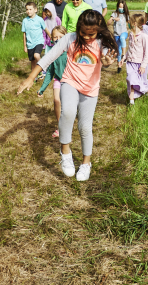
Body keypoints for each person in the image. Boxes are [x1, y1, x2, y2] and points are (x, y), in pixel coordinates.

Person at [17, 10, 118, 181]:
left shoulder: (101, 42)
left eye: (91, 34)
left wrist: (107, 62)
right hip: (70, 82)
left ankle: (86, 164)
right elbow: (48, 57)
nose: (86, 37)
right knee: (68, 112)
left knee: (85, 127)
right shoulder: (70, 38)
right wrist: (30, 78)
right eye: (83, 33)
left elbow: (106, 59)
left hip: (90, 89)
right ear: (78, 28)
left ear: (98, 31)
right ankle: (65, 152)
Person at [37, 26, 68, 138]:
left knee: (67, 105)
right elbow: (49, 72)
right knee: (56, 100)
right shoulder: (52, 54)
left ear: (67, 37)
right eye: (55, 37)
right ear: (52, 39)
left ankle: (68, 122)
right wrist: (42, 89)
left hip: (70, 82)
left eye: (61, 36)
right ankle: (60, 126)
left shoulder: (70, 52)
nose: (58, 39)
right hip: (58, 80)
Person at [119, 13, 148, 105]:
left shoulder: (144, 36)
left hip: (140, 64)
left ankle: (147, 92)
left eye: (130, 21)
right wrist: (124, 58)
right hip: (131, 63)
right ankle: (131, 99)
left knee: (143, 81)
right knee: (131, 80)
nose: (128, 23)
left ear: (134, 23)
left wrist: (143, 65)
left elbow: (147, 52)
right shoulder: (131, 35)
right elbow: (130, 49)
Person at [22, 2, 51, 72]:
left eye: (30, 9)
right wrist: (25, 46)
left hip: (39, 41)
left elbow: (45, 29)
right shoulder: (25, 21)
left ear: (35, 10)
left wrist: (51, 37)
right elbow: (24, 34)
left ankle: (43, 67)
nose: (28, 11)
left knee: (36, 56)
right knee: (32, 61)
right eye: (27, 9)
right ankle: (34, 77)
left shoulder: (40, 19)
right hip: (30, 44)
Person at [109, 0, 129, 73]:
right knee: (118, 50)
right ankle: (119, 66)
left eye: (122, 7)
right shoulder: (114, 14)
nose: (121, 8)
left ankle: (124, 55)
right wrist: (113, 19)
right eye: (120, 7)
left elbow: (129, 23)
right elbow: (108, 23)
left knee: (122, 38)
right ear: (117, 7)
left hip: (124, 33)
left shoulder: (126, 14)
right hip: (116, 34)